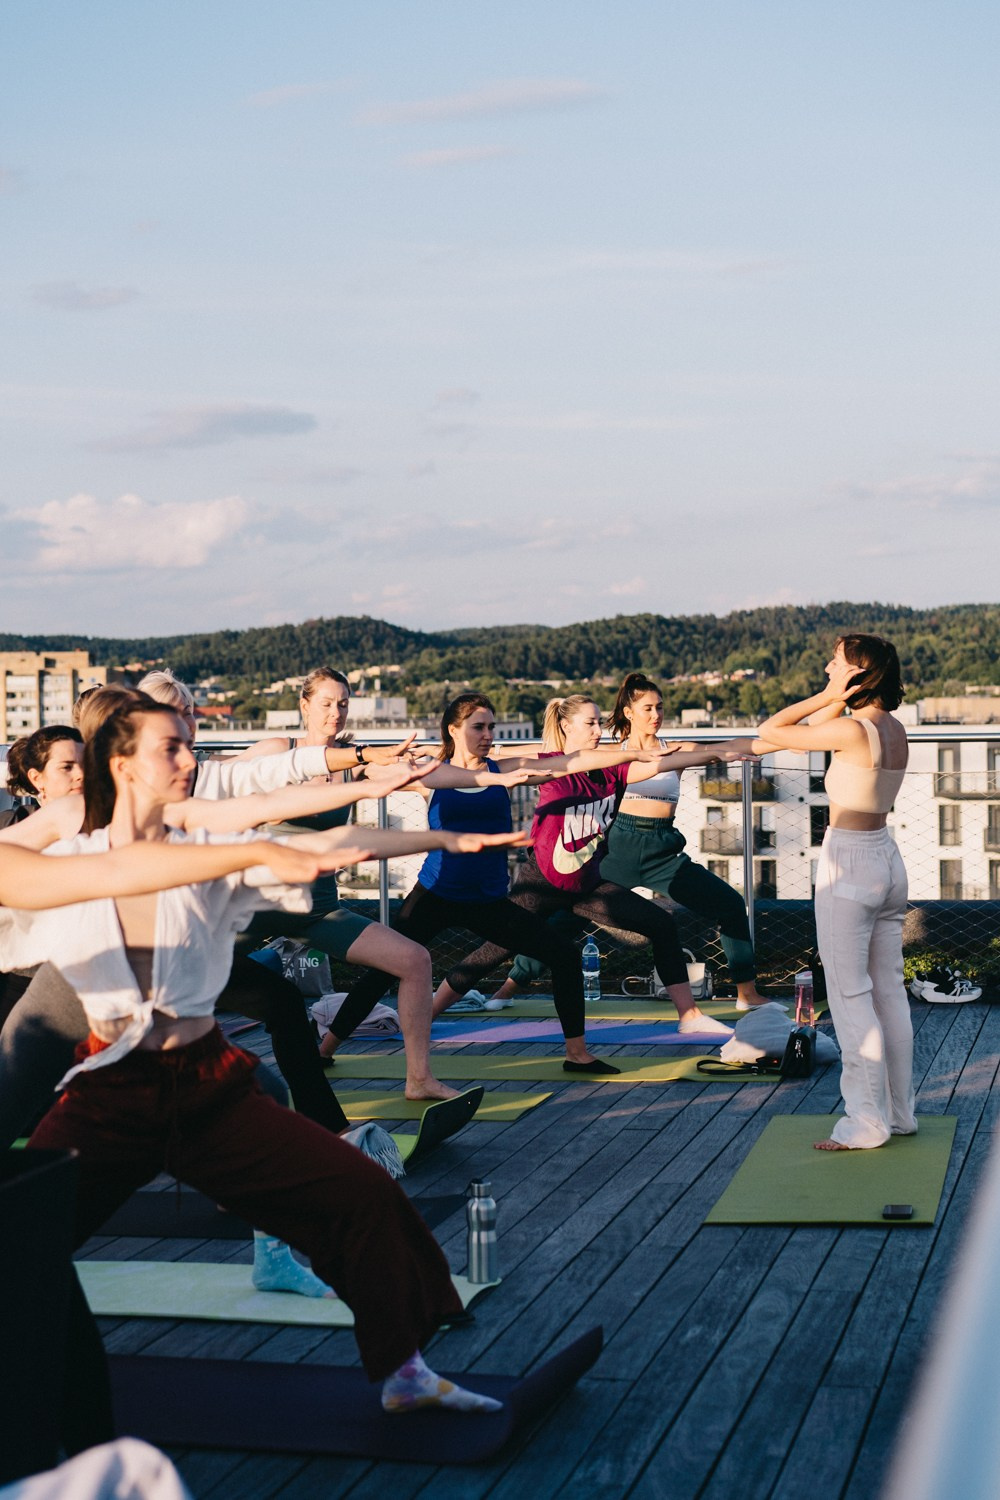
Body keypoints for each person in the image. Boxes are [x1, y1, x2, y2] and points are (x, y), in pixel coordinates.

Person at [9, 697, 507, 1412]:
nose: (189, 760)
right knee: (24, 1238)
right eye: (170, 748)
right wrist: (255, 850)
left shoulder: (206, 852)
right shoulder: (74, 860)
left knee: (364, 1194)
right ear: (120, 765)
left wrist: (443, 841)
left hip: (207, 1086)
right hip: (110, 1093)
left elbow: (316, 832)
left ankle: (405, 1371)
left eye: (190, 744)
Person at [319, 692, 668, 1071]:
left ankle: (577, 1054)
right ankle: (324, 1050)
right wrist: (355, 763)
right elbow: (367, 776)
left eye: (491, 727)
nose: (487, 735)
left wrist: (633, 754)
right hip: (434, 895)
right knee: (383, 972)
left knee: (564, 956)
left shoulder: (504, 770)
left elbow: (573, 761)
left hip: (487, 902)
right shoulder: (430, 775)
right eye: (478, 728)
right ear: (454, 730)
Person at [429, 695, 748, 1042]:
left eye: (600, 722)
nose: (599, 730)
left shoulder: (614, 770)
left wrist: (718, 754)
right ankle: (426, 1012)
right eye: (590, 723)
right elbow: (485, 768)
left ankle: (690, 1016)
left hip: (587, 884)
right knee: (493, 950)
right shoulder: (551, 767)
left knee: (661, 924)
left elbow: (662, 763)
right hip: (542, 882)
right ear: (566, 726)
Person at [752, 635, 915, 1150]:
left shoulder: (850, 729)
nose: (827, 667)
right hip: (887, 857)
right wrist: (836, 696)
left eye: (836, 662)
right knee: (888, 991)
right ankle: (900, 1114)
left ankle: (866, 1122)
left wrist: (828, 695)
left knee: (850, 997)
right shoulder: (893, 728)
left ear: (856, 674)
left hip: (850, 862)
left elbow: (770, 730)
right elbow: (806, 735)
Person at [597, 672, 767, 1008]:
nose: (656, 715)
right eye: (647, 708)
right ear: (629, 712)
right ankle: (507, 990)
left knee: (731, 905)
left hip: (663, 851)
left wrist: (774, 744)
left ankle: (747, 994)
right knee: (565, 913)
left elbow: (720, 750)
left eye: (660, 707)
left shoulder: (676, 750)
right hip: (618, 847)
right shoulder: (611, 753)